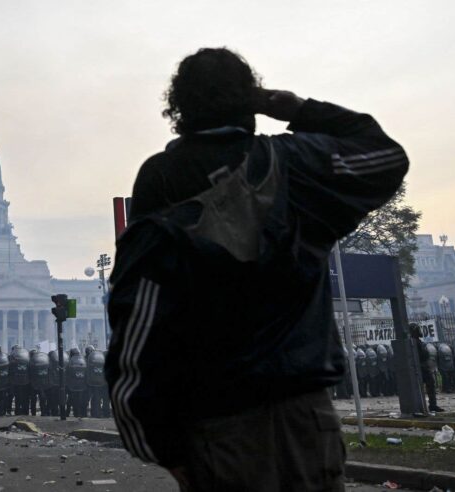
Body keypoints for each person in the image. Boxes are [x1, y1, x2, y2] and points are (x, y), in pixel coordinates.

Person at [105, 47, 408, 491]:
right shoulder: (296, 164)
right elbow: (385, 155)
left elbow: (138, 317)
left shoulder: (162, 178)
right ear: (251, 99)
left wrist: (164, 448)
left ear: (178, 108)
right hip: (305, 415)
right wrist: (296, 108)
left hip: (215, 423)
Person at [410, 324, 444, 412]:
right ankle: (424, 406)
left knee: (430, 386)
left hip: (423, 367)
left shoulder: (418, 341)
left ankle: (432, 405)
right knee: (421, 387)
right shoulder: (413, 342)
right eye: (418, 330)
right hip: (420, 367)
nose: (420, 331)